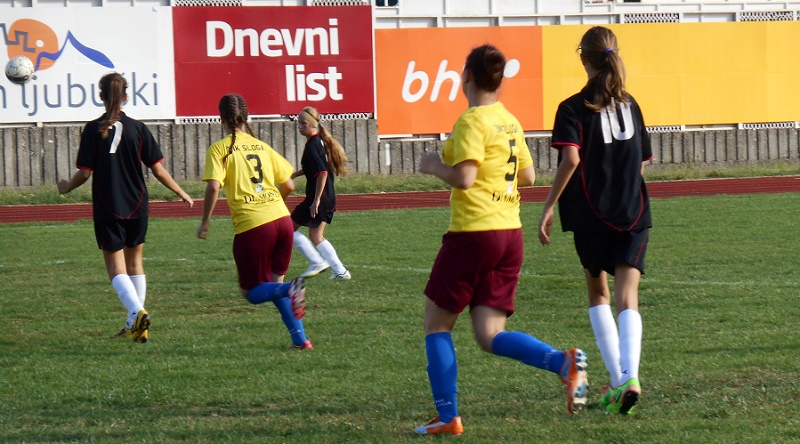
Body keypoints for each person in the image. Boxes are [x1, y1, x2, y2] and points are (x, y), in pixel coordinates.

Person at [414, 45, 589, 436]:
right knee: (489, 334)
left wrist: (434, 165)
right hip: (509, 233)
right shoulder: (508, 120)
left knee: (437, 325)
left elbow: (465, 178)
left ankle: (447, 416)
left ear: (466, 76)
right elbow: (527, 176)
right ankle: (563, 363)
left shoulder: (472, 119)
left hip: (475, 233)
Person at [537, 26, 652, 415]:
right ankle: (628, 379)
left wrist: (549, 205)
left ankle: (621, 380)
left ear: (582, 57)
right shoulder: (631, 104)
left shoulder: (573, 107)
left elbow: (571, 159)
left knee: (598, 294)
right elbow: (642, 162)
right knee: (628, 298)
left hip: (590, 213)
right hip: (633, 211)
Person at [57, 72, 194, 343]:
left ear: (100, 96)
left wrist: (65, 187)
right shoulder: (138, 128)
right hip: (137, 204)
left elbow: (84, 173)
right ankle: (135, 325)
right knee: (135, 263)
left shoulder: (93, 129)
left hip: (109, 205)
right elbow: (157, 169)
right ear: (126, 97)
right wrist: (180, 191)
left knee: (116, 268)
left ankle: (137, 312)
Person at [197, 94, 312, 350]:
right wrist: (273, 204)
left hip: (254, 226)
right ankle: (301, 340)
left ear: (221, 118)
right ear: (246, 117)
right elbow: (289, 184)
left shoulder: (220, 148)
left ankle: (292, 289)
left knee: (252, 292)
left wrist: (205, 221)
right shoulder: (261, 146)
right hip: (282, 221)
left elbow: (213, 187)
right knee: (274, 285)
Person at [290, 106, 351, 280]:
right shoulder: (318, 141)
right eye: (299, 123)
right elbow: (314, 167)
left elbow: (322, 173)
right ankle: (340, 271)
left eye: (303, 123)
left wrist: (316, 200)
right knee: (315, 235)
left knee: (288, 229)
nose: (300, 126)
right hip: (327, 196)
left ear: (312, 124)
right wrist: (295, 175)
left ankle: (318, 262)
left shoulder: (312, 146)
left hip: (319, 198)